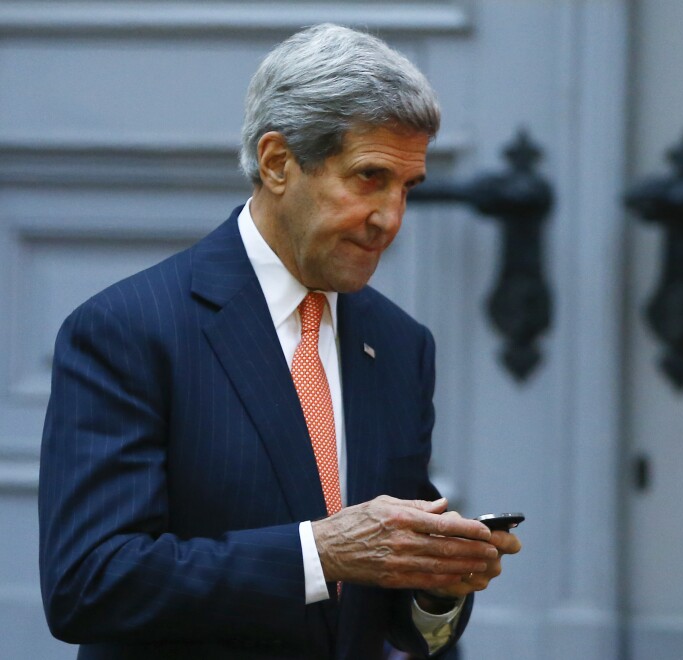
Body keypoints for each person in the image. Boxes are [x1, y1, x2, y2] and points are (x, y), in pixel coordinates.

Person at [38, 23, 521, 660]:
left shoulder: (400, 345)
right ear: (277, 163)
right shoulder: (129, 328)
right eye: (369, 177)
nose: (391, 219)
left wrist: (437, 586)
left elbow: (397, 619)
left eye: (407, 188)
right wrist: (319, 553)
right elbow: (88, 582)